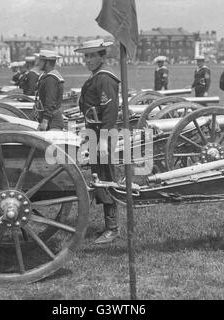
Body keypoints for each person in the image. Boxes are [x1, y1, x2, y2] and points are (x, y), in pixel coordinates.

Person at [74, 39, 120, 244]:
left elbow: (110, 112)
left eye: (93, 56)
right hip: (94, 132)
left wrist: (103, 140)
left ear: (103, 56)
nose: (88, 60)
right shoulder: (96, 77)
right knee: (98, 176)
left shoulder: (105, 78)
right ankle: (108, 225)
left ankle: (113, 228)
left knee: (106, 177)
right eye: (86, 56)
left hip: (102, 134)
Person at [35, 50, 65, 131]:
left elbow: (50, 101)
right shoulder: (49, 77)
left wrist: (45, 121)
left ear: (47, 63)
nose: (38, 63)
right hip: (51, 120)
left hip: (52, 122)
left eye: (41, 60)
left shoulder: (50, 79)